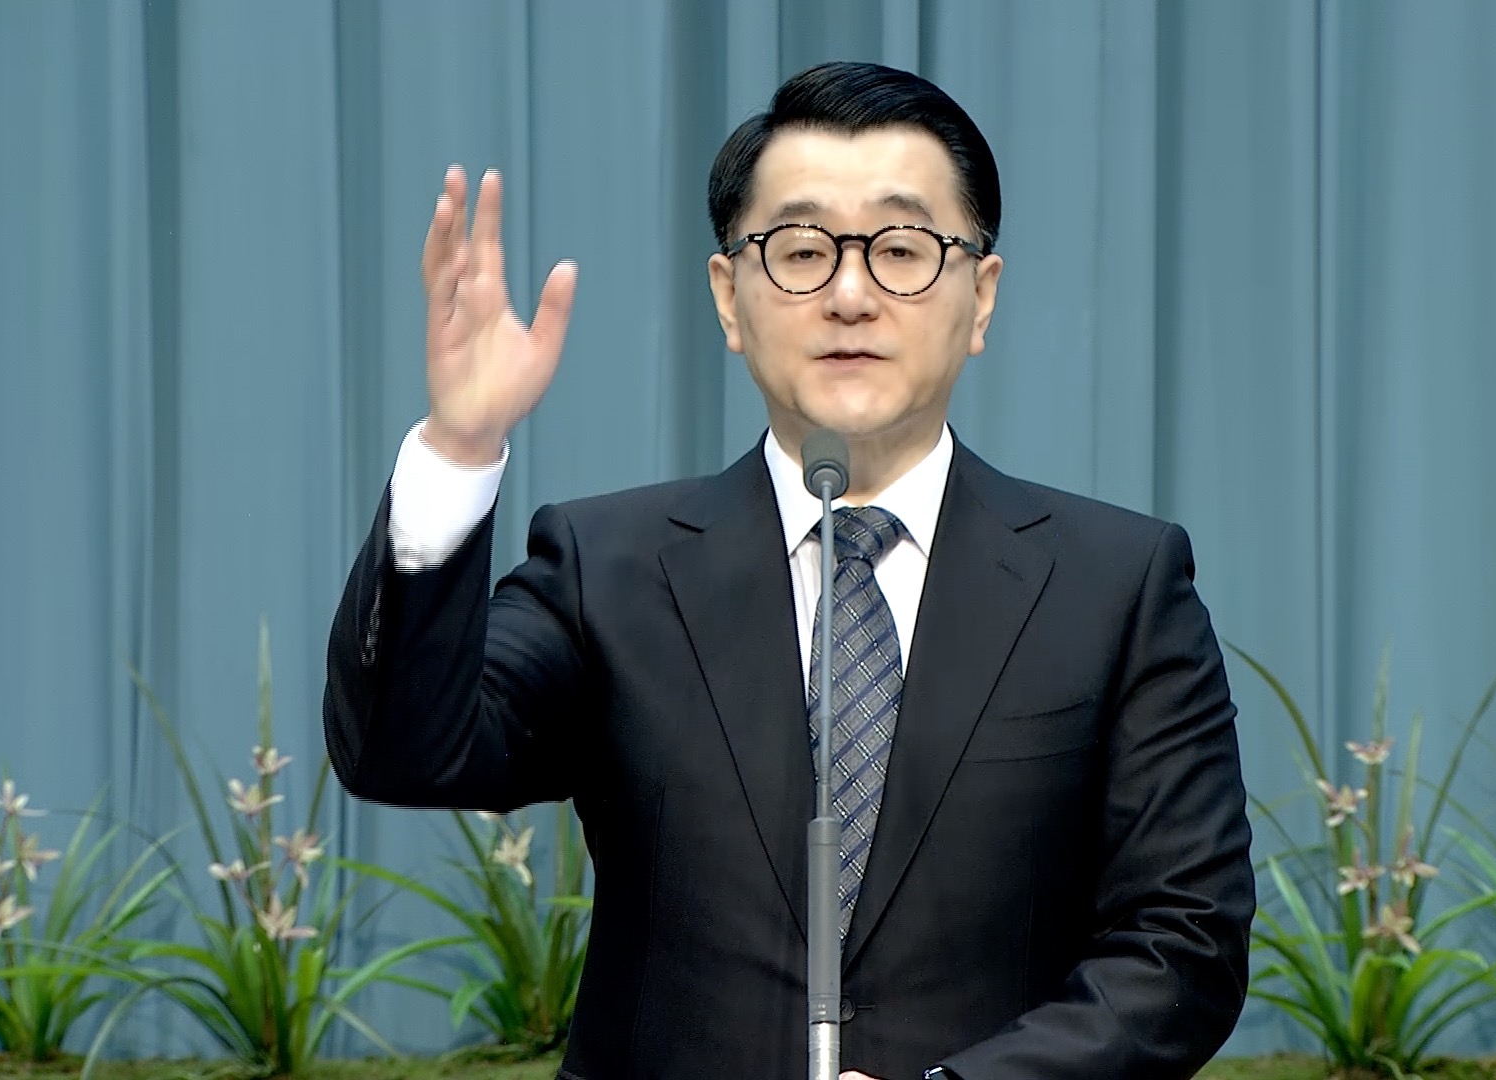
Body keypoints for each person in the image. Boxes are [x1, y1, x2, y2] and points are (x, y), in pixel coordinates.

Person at [324, 60, 1255, 1080]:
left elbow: (1184, 943)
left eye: (901, 250)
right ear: (730, 298)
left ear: (981, 297)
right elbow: (407, 754)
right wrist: (460, 447)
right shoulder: (609, 569)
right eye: (802, 251)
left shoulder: (1115, 586)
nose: (850, 296)